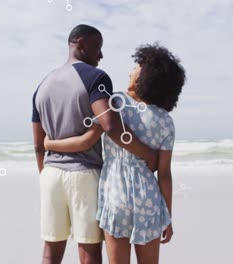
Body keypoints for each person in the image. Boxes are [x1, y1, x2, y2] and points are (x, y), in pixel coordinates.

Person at [44, 43, 186, 264]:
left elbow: (87, 139)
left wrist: (50, 143)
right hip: (148, 202)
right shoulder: (166, 122)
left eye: (136, 67)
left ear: (145, 76)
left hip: (115, 197)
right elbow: (164, 173)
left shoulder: (116, 103)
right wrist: (167, 216)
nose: (131, 71)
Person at [31, 25, 158, 264]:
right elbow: (110, 125)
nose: (100, 55)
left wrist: (46, 174)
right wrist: (147, 154)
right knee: (89, 251)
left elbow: (39, 145)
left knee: (50, 251)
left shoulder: (42, 86)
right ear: (80, 44)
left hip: (50, 176)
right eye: (97, 47)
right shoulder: (95, 77)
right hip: (84, 176)